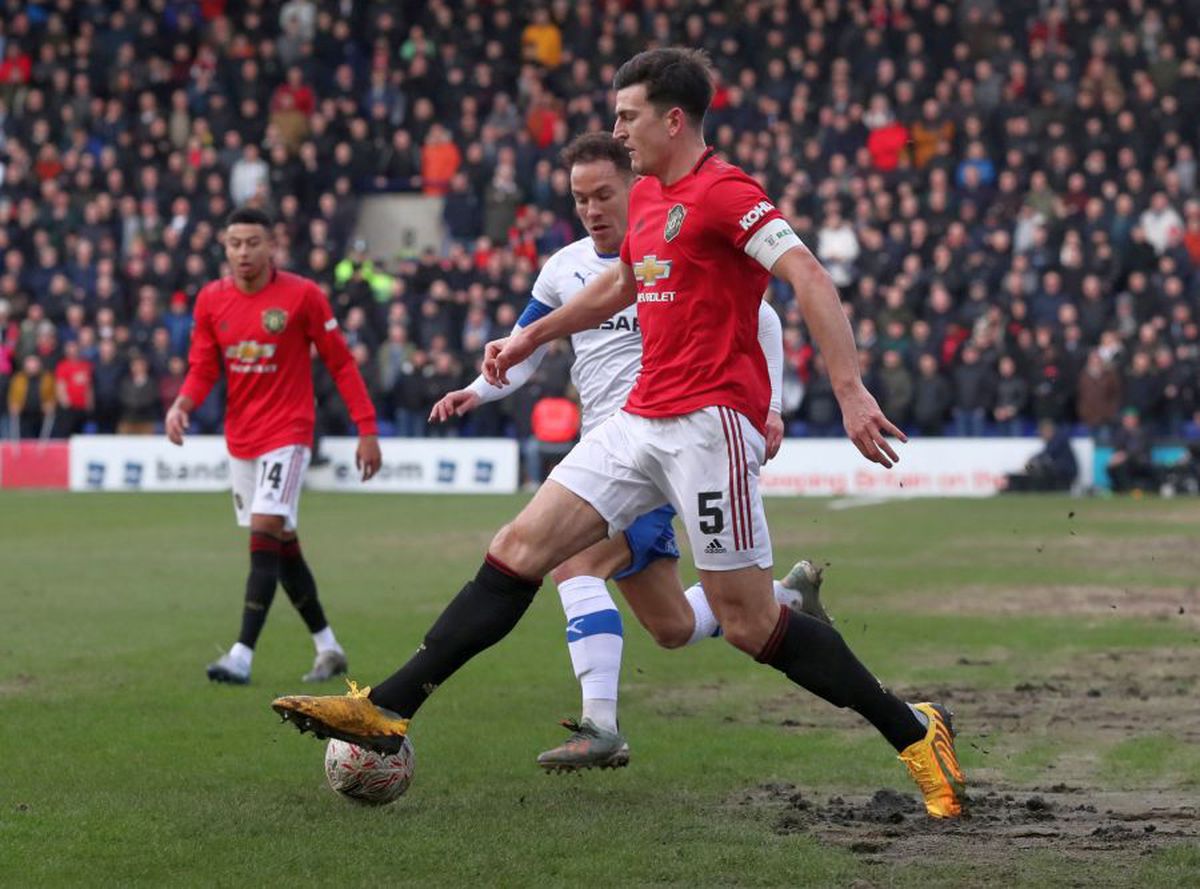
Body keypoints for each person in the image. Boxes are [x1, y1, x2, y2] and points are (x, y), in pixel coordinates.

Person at [273, 49, 965, 819]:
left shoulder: (724, 192)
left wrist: (849, 391)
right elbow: (621, 286)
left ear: (674, 119)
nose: (617, 129)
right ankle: (388, 707)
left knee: (748, 623)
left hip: (710, 426)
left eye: (627, 115)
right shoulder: (647, 202)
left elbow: (808, 276)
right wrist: (532, 338)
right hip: (638, 419)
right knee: (520, 548)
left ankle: (913, 730)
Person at [428, 133, 829, 770]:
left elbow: (768, 320)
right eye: (578, 198)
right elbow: (526, 347)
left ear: (633, 187)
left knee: (573, 564)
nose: (590, 208)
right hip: (610, 452)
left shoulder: (673, 243)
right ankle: (781, 599)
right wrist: (476, 393)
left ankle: (601, 725)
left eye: (602, 194)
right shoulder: (563, 270)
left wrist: (773, 406)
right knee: (672, 628)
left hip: (667, 442)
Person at [166, 207, 383, 686]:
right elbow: (204, 367)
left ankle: (241, 654)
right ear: (224, 247)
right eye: (235, 243)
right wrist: (182, 403)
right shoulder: (210, 301)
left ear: (272, 246)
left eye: (253, 242)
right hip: (241, 437)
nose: (244, 252)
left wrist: (367, 429)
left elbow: (341, 363)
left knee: (264, 531)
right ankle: (329, 647)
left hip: (288, 432)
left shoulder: (302, 295)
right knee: (280, 544)